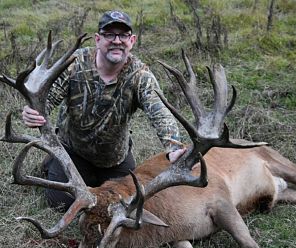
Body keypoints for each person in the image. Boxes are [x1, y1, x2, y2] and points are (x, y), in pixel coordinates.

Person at [22, 10, 185, 211]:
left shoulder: (140, 75)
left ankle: (86, 176)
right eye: (110, 35)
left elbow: (159, 111)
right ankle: (53, 163)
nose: (117, 40)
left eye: (123, 35)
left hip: (114, 159)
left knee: (125, 203)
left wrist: (174, 146)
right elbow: (47, 99)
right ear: (98, 39)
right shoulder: (76, 63)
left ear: (132, 40)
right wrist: (32, 112)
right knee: (61, 204)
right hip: (73, 151)